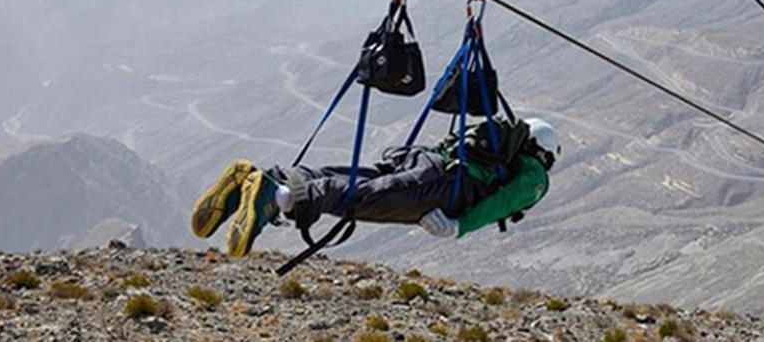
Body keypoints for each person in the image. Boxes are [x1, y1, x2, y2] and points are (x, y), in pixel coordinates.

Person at [191, 117, 560, 258]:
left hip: (423, 159)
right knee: (361, 200)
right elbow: (504, 202)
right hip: (442, 186)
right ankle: (277, 199)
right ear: (545, 152)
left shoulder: (500, 146)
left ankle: (259, 180)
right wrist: (458, 227)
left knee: (353, 179)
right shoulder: (534, 176)